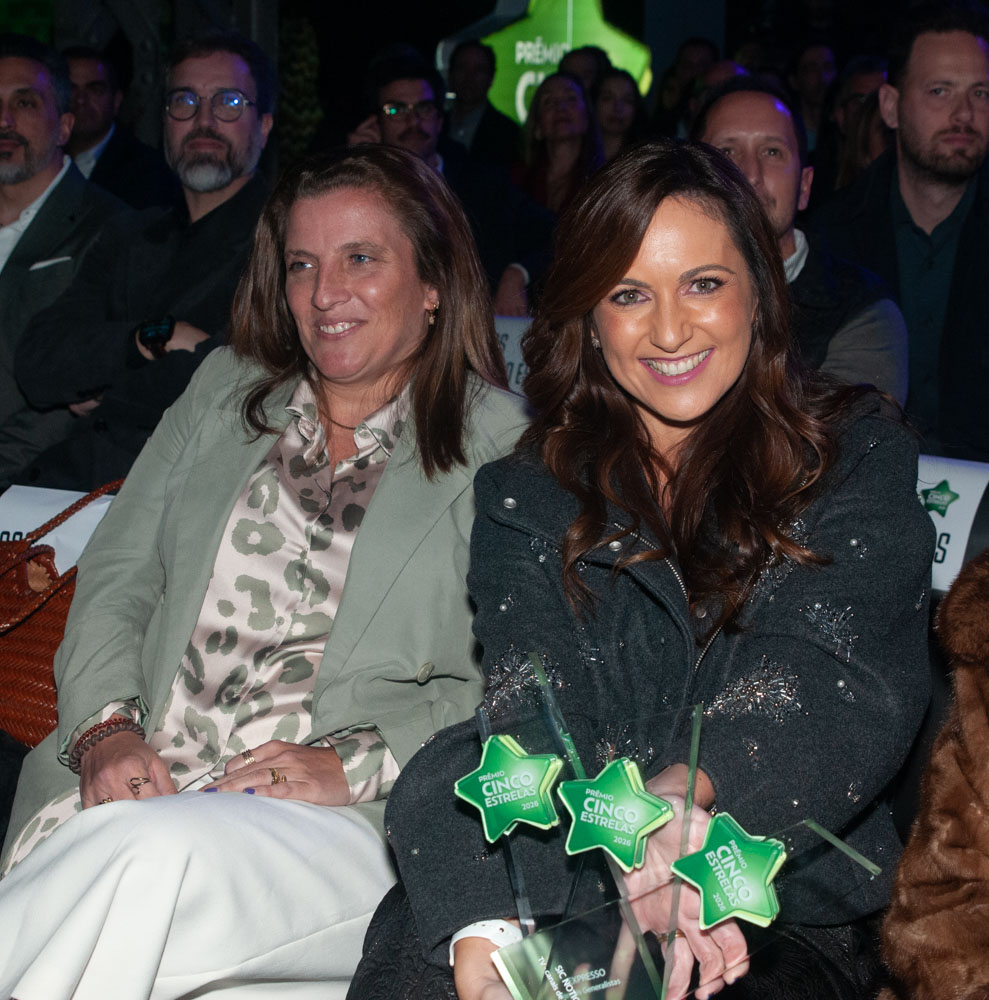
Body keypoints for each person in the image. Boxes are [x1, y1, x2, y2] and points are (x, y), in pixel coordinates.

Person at [350, 140, 934, 1000]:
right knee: (433, 943)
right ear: (590, 320)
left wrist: (682, 799)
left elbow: (829, 682)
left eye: (703, 283)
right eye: (628, 295)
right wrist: (590, 866)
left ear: (758, 293)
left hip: (772, 891)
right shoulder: (529, 493)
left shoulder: (850, 458)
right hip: (568, 861)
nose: (667, 331)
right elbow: (534, 703)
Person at [0, 143, 528, 998]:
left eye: (361, 260)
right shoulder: (224, 391)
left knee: (148, 852)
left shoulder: (505, 450)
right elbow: (118, 574)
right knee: (134, 860)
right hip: (137, 784)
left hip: (345, 819)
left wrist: (354, 762)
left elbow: (523, 685)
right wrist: (104, 732)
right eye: (302, 264)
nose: (324, 294)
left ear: (433, 281)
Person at [3, 31, 273, 489]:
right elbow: (38, 361)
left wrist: (104, 381)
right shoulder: (129, 235)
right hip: (74, 491)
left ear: (263, 126)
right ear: (164, 121)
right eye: (184, 101)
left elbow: (237, 388)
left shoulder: (284, 243)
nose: (203, 120)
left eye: (228, 102)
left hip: (185, 498)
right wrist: (151, 339)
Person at [812, 1, 989, 460]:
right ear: (890, 107)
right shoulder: (829, 235)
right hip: (860, 484)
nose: (964, 114)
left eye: (981, 93)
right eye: (940, 91)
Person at [692, 76, 908, 403]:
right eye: (727, 151)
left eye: (772, 152)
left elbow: (849, 430)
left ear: (805, 186)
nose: (750, 174)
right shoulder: (658, 296)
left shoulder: (861, 309)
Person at [348, 48, 553, 317]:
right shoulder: (357, 187)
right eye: (396, 110)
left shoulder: (483, 183)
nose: (413, 121)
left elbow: (556, 233)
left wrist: (517, 273)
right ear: (374, 123)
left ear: (439, 119)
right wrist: (356, 168)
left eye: (424, 108)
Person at [0, 34, 123, 476]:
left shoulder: (111, 229)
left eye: (25, 103)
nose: (4, 120)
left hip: (36, 488)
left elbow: (74, 393)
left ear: (65, 126)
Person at [62, 44, 176, 209]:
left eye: (95, 90)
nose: (81, 100)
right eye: (70, 89)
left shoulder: (148, 171)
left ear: (116, 101)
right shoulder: (42, 160)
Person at [515, 71, 603, 214]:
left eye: (571, 99)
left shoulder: (601, 182)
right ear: (537, 125)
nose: (560, 108)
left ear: (587, 116)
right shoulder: (516, 181)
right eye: (548, 102)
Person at [442, 39, 520, 168]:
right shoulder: (434, 125)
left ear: (491, 77)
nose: (469, 77)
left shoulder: (509, 134)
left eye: (479, 70)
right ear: (450, 74)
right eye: (462, 68)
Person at [594, 67, 648, 161]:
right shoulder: (575, 156)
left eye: (627, 100)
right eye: (608, 98)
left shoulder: (643, 159)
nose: (618, 108)